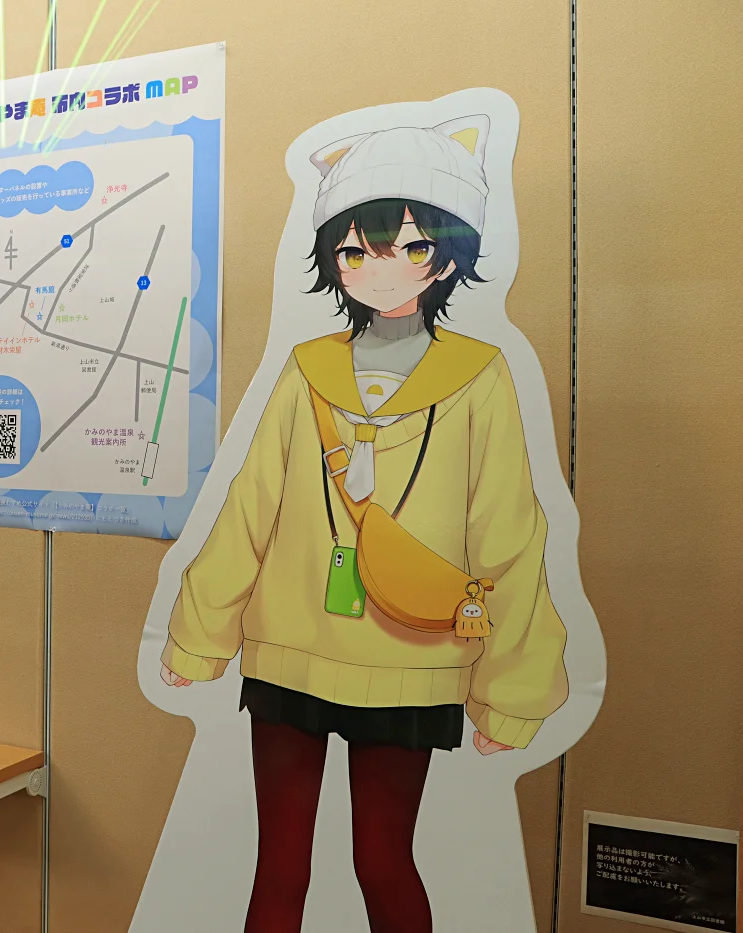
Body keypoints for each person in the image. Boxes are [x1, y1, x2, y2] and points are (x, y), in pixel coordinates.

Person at [160, 116, 569, 933]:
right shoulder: (307, 367)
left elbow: (509, 535)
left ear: (446, 258)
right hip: (293, 650)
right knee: (284, 864)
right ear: (334, 260)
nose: (377, 269)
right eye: (354, 251)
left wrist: (510, 690)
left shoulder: (479, 377)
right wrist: (199, 635)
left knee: (380, 861)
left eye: (408, 247)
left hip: (411, 656)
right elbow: (252, 504)